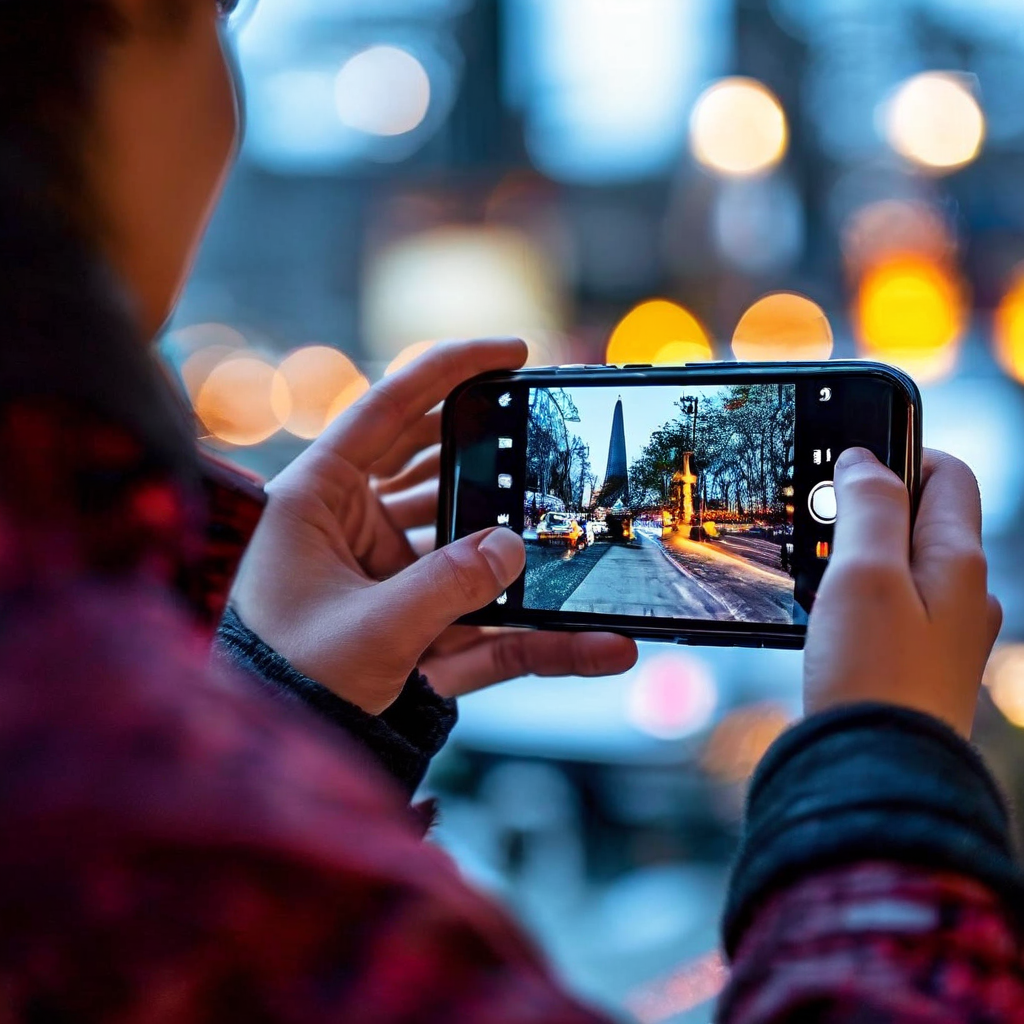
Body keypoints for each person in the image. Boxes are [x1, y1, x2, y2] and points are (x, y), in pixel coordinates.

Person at [0, 1, 1020, 1021]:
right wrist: (885, 770)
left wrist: (282, 715)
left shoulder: (77, 730)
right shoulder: (97, 769)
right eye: (221, 11)